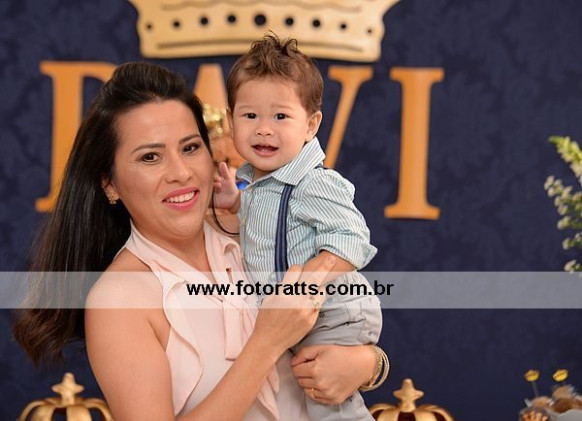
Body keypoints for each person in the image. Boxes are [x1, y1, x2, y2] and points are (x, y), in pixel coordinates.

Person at [12, 62, 383, 421]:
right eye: (150, 157)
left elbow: (345, 319)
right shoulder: (118, 298)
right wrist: (266, 343)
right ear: (109, 184)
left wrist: (367, 365)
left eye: (190, 148)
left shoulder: (254, 231)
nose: (181, 172)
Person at [213, 34, 385, 421]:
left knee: (326, 403)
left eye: (280, 117)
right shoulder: (257, 182)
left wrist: (308, 282)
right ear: (230, 121)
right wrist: (235, 203)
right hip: (301, 315)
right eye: (250, 116)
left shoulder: (312, 183)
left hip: (332, 311)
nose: (263, 129)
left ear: (311, 125)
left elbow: (352, 237)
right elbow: (267, 226)